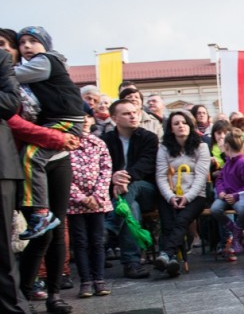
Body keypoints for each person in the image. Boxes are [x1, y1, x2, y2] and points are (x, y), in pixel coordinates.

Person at [0, 49, 56, 314]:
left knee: (2, 247)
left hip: (0, 165)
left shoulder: (1, 59)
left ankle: (13, 313)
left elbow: (10, 103)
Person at [13, 26, 85, 241]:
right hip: (56, 121)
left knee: (31, 156)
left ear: (45, 44)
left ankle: (41, 213)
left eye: (32, 41)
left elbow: (16, 75)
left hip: (65, 121)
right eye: (22, 42)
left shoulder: (46, 60)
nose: (26, 46)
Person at [102, 99, 160, 278]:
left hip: (146, 190)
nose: (133, 115)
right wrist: (114, 178)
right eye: (126, 113)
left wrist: (124, 177)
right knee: (130, 208)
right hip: (119, 194)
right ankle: (132, 263)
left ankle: (109, 227)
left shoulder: (148, 137)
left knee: (132, 188)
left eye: (134, 112)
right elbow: (101, 168)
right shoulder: (105, 141)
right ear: (114, 118)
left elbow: (146, 165)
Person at [154, 110, 211, 276]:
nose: (181, 126)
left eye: (184, 122)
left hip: (195, 196)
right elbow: (161, 175)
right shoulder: (164, 148)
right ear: (171, 128)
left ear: (190, 125)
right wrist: (170, 196)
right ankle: (172, 262)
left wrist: (186, 197)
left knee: (181, 220)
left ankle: (166, 254)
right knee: (168, 223)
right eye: (176, 123)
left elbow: (201, 177)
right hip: (170, 194)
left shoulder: (201, 147)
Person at [68, 112, 113, 297]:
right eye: (79, 117)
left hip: (98, 201)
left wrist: (97, 195)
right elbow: (63, 175)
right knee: (80, 242)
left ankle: (99, 280)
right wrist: (80, 197)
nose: (84, 121)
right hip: (74, 202)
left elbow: (106, 169)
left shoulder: (99, 143)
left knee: (97, 240)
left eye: (87, 117)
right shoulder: (66, 144)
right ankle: (85, 281)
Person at [210, 130, 244, 262]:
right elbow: (219, 179)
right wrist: (221, 192)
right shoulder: (227, 162)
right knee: (215, 209)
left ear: (227, 146)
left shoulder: (243, 163)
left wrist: (235, 196)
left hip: (237, 196)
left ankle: (236, 234)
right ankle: (235, 230)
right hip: (225, 196)